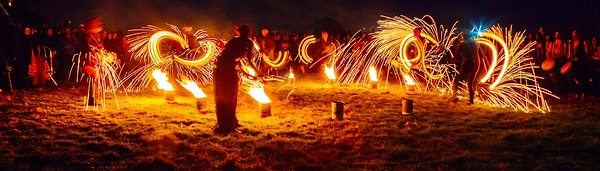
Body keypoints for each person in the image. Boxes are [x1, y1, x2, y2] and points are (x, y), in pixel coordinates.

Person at [213, 24, 254, 135]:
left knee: (223, 95)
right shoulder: (249, 42)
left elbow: (234, 58)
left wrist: (251, 73)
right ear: (248, 32)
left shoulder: (233, 40)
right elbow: (247, 60)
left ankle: (230, 122)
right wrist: (256, 73)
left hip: (221, 68)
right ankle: (227, 125)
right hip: (226, 69)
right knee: (230, 95)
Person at [451, 31, 480, 105]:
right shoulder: (475, 43)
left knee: (456, 81)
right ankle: (471, 101)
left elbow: (456, 56)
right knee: (470, 84)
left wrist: (451, 60)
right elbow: (482, 56)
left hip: (467, 63)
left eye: (461, 36)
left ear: (463, 37)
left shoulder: (462, 44)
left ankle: (455, 97)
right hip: (476, 64)